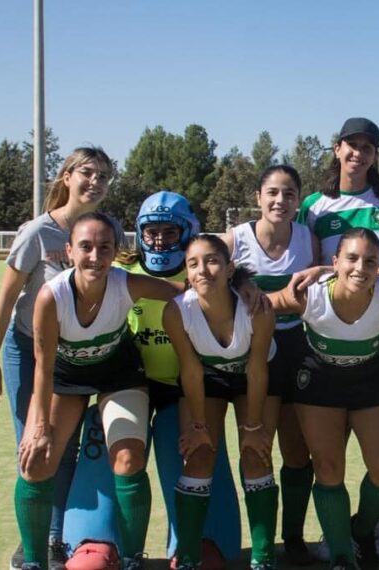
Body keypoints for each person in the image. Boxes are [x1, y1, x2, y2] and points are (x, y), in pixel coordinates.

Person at [63, 191, 239, 570]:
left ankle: (202, 538)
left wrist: (249, 287)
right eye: (151, 232)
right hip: (128, 381)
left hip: (187, 385)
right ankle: (96, 537)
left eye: (169, 232)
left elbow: (242, 286)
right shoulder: (118, 271)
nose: (159, 240)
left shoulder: (202, 270)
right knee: (109, 443)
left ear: (188, 231)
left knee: (200, 444)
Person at [15, 213, 182, 570]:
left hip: (119, 375)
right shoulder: (52, 296)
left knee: (128, 458)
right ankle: (33, 561)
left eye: (104, 247)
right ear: (69, 251)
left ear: (115, 251)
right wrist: (40, 427)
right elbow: (43, 367)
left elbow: (183, 292)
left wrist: (238, 288)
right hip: (64, 379)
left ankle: (132, 557)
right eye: (85, 247)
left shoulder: (126, 283)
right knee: (36, 462)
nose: (95, 256)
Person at [0, 147, 114, 570]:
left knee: (66, 448)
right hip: (27, 349)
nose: (96, 182)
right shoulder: (39, 232)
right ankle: (31, 545)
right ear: (67, 176)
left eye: (104, 176)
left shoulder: (109, 230)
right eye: (88, 173)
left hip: (71, 357)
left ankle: (53, 538)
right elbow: (5, 299)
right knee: (34, 447)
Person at [297, 117, 379, 562]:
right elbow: (310, 268)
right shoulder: (314, 205)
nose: (358, 153)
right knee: (331, 451)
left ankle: (374, 524)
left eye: (368, 146)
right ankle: (333, 532)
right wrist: (337, 274)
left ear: (376, 154)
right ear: (336, 148)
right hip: (329, 327)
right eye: (351, 145)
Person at [268, 228, 379, 570]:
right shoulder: (311, 295)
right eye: (351, 258)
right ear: (335, 262)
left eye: (370, 261)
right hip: (319, 382)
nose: (360, 268)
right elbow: (264, 303)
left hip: (370, 380)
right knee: (329, 469)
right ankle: (341, 556)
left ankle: (362, 529)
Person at [163, 235, 279, 570]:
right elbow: (191, 370)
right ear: (186, 272)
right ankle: (187, 556)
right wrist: (199, 426)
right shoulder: (176, 311)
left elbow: (257, 371)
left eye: (212, 261)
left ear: (230, 270)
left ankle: (263, 557)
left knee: (256, 454)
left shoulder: (257, 309)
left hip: (253, 377)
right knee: (199, 455)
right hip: (208, 377)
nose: (203, 270)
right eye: (193, 263)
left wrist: (254, 428)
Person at [224, 164, 319, 565]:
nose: (281, 201)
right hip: (253, 354)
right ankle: (263, 551)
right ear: (258, 197)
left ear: (299, 200)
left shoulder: (307, 237)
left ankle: (293, 540)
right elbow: (208, 282)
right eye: (273, 193)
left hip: (298, 348)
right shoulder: (235, 240)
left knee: (297, 452)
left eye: (290, 194)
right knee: (257, 446)